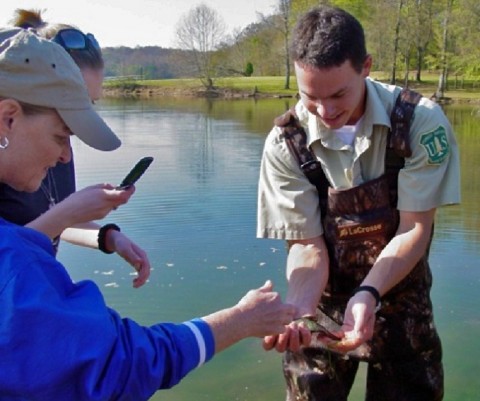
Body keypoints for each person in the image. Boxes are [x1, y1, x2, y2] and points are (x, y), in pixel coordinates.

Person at [0, 28, 296, 400]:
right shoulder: (11, 264)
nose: (65, 156)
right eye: (62, 134)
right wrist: (240, 321)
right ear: (8, 118)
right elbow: (121, 365)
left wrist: (105, 234)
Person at [257, 5, 460, 401]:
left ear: (365, 66)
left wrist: (368, 293)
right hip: (322, 306)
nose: (326, 111)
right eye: (310, 96)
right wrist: (297, 310)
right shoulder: (286, 142)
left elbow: (414, 228)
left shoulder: (420, 123)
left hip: (403, 304)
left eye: (338, 94)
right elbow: (305, 245)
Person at [0, 9, 150, 288]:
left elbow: (51, 221)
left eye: (89, 104)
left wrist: (108, 237)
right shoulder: (15, 158)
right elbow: (8, 258)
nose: (68, 148)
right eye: (68, 106)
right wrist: (69, 211)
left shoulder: (51, 147)